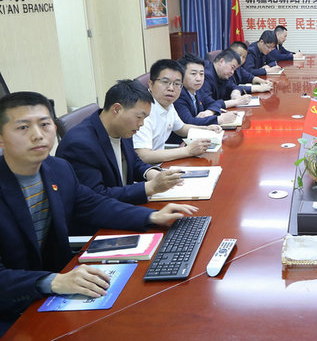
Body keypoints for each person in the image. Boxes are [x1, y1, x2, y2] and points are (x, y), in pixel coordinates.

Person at [0, 92, 197, 334]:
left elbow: (93, 204)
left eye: (44, 124)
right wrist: (53, 281)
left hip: (54, 294)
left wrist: (150, 217)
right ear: (1, 138)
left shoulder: (57, 169)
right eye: (23, 127)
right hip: (11, 307)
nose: (38, 135)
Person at [56, 80, 183, 208]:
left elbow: (133, 162)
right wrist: (149, 187)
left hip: (122, 207)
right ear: (117, 109)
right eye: (139, 117)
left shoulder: (122, 128)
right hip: (102, 216)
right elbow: (96, 197)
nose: (141, 124)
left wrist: (152, 174)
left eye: (145, 119)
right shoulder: (80, 145)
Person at [133, 59, 222, 164]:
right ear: (151, 84)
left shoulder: (167, 103)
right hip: (147, 169)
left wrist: (206, 129)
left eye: (177, 83)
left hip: (161, 163)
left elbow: (181, 128)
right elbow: (143, 156)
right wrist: (187, 151)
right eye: (165, 82)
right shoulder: (143, 110)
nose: (171, 88)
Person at [174, 53, 240, 127]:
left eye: (201, 74)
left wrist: (210, 111)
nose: (198, 79)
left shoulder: (198, 90)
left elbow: (214, 103)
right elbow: (189, 122)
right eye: (193, 74)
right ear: (181, 75)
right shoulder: (178, 94)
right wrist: (220, 119)